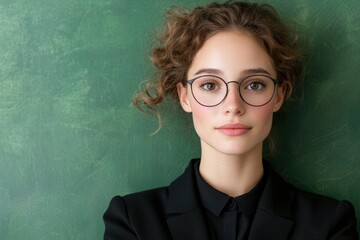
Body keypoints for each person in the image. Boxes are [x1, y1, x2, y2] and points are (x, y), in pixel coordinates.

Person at [103, 1, 359, 239]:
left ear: (279, 95)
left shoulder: (329, 224)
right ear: (185, 96)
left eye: (255, 84)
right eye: (210, 85)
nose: (233, 105)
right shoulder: (132, 221)